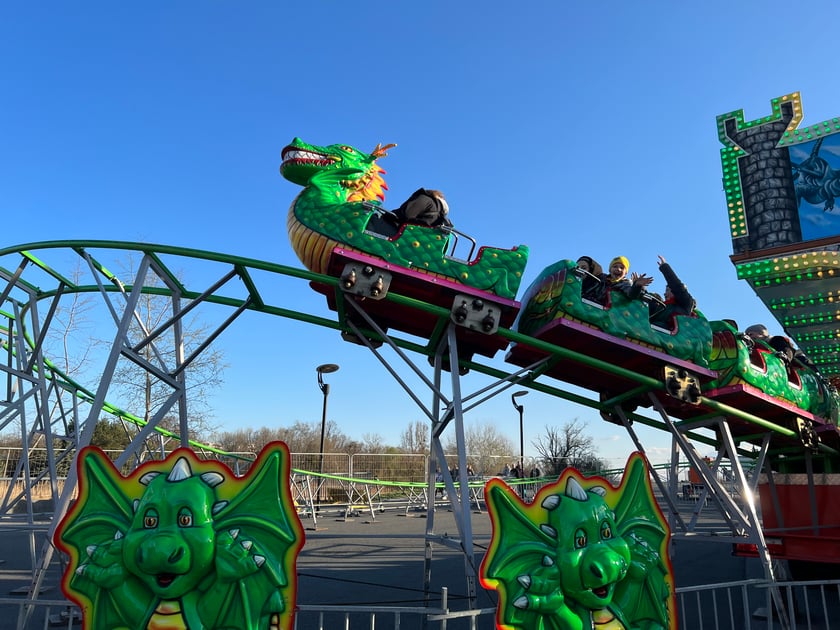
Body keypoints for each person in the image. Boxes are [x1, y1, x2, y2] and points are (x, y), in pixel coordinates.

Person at [649, 255, 696, 329]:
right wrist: (638, 287)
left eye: (668, 290)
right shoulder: (661, 308)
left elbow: (676, 286)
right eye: (665, 291)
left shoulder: (686, 304)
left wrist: (665, 267)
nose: (665, 293)